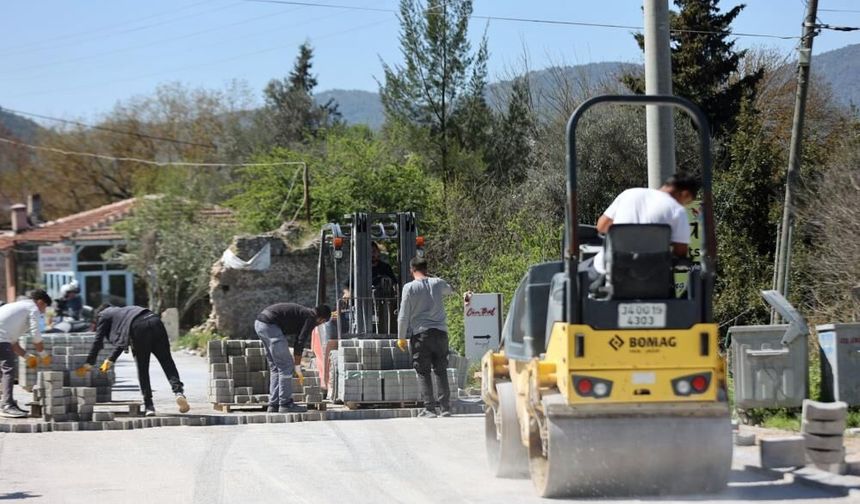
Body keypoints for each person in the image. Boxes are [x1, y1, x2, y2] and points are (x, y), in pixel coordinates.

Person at [75, 304, 188, 417]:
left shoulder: (103, 316)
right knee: (167, 362)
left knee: (142, 368)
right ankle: (178, 392)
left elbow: (98, 341)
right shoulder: (124, 311)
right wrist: (111, 359)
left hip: (138, 328)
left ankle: (149, 406)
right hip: (154, 320)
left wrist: (89, 363)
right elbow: (123, 338)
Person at [585, 172, 700, 281]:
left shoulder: (629, 193)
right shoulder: (678, 211)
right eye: (687, 202)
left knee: (579, 272)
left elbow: (601, 227)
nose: (684, 204)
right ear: (685, 194)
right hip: (652, 280)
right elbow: (680, 253)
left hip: (608, 273)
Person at [396, 257, 456, 418]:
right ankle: (445, 408)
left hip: (421, 335)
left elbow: (403, 315)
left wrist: (401, 336)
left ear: (411, 270)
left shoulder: (409, 288)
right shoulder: (437, 283)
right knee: (441, 370)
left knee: (423, 372)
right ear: (426, 268)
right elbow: (450, 290)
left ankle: (429, 409)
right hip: (441, 334)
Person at [255, 303, 331, 413]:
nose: (319, 324)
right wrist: (297, 367)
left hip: (260, 324)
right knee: (286, 366)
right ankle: (285, 404)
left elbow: (298, 341)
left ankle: (274, 404)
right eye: (322, 322)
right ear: (321, 319)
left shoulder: (305, 313)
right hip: (270, 325)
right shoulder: (310, 318)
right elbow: (300, 342)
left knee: (276, 368)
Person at [0, 290, 53, 418]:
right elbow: (35, 334)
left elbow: (13, 342)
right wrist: (43, 353)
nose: (43, 311)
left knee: (3, 371)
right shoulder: (32, 308)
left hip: (2, 339)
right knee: (8, 370)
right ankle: (7, 405)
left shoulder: (18, 306)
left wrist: (26, 356)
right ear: (40, 302)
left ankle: (7, 403)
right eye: (45, 307)